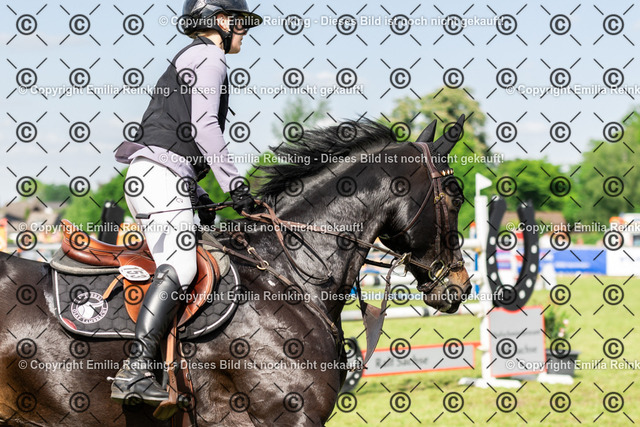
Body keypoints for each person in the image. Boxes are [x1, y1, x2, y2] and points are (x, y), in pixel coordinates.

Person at [110, 0, 262, 406]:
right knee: (181, 266)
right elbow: (204, 126)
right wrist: (235, 185)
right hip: (159, 178)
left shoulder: (191, 57)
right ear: (220, 21)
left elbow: (175, 144)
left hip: (162, 176)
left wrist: (201, 196)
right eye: (241, 23)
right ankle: (136, 371)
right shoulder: (210, 57)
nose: (245, 31)